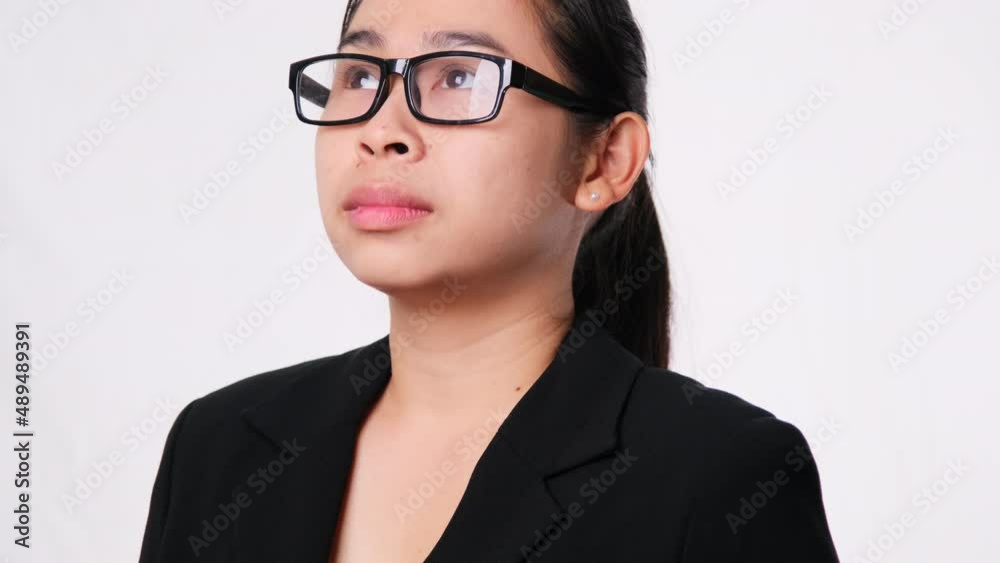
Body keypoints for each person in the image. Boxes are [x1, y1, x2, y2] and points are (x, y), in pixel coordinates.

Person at [138, 0, 840, 561]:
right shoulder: (218, 447)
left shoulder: (719, 474)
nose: (381, 129)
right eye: (360, 75)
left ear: (604, 161)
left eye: (460, 77)